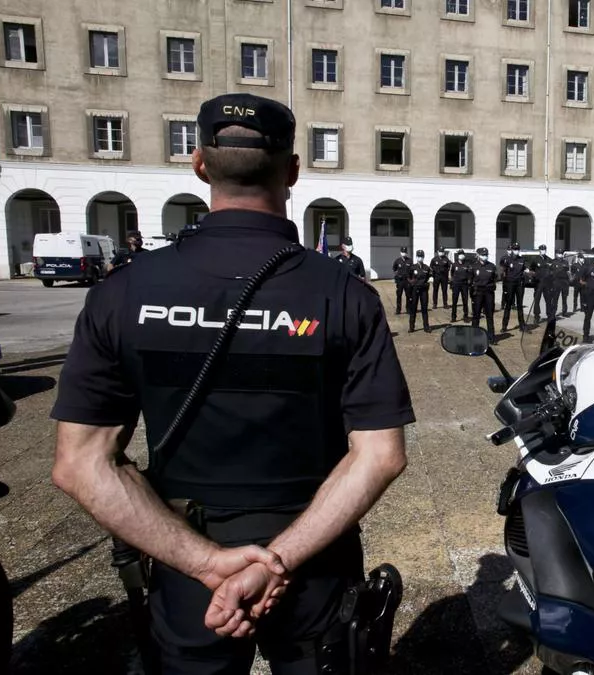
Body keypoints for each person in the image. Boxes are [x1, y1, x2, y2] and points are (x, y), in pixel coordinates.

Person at [49, 93, 414, 675]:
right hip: (313, 557)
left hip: (185, 558)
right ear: (292, 171)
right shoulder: (345, 295)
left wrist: (207, 564)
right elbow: (381, 455)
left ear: (199, 165)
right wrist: (275, 562)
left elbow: (80, 463)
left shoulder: (122, 292)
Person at [470, 247, 497, 338]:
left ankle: (491, 336)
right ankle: (473, 335)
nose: (485, 256)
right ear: (478, 255)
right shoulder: (474, 266)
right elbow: (470, 281)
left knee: (489, 315)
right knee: (476, 315)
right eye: (483, 255)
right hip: (478, 293)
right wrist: (472, 295)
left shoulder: (492, 266)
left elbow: (494, 279)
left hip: (489, 293)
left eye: (486, 255)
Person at [500, 243, 526, 333]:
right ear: (512, 250)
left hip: (519, 284)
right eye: (514, 249)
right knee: (508, 305)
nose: (516, 250)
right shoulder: (507, 259)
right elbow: (503, 272)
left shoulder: (522, 259)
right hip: (510, 284)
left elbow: (524, 270)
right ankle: (504, 326)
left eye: (517, 249)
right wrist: (505, 284)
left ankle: (522, 326)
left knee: (520, 305)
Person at [406, 249, 431, 333]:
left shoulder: (426, 268)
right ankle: (411, 327)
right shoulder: (412, 267)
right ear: (416, 257)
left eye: (421, 256)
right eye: (418, 256)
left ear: (423, 257)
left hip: (423, 290)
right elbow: (408, 278)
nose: (420, 258)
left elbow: (428, 277)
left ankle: (426, 327)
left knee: (424, 308)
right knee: (413, 308)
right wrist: (412, 283)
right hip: (415, 290)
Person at [449, 250, 471, 323]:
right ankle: (453, 317)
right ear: (458, 256)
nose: (461, 255)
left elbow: (470, 274)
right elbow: (451, 273)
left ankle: (465, 316)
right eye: (460, 254)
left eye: (462, 254)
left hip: (464, 285)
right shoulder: (454, 264)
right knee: (454, 301)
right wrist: (451, 282)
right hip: (456, 284)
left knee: (465, 301)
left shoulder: (467, 264)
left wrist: (469, 281)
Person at [392, 246, 410, 314]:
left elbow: (411, 270)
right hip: (400, 281)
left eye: (405, 252)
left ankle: (408, 309)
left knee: (408, 295)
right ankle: (398, 309)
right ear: (400, 252)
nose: (404, 253)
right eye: (402, 252)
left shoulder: (409, 261)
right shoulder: (397, 261)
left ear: (406, 253)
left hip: (407, 281)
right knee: (399, 295)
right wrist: (397, 275)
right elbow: (394, 269)